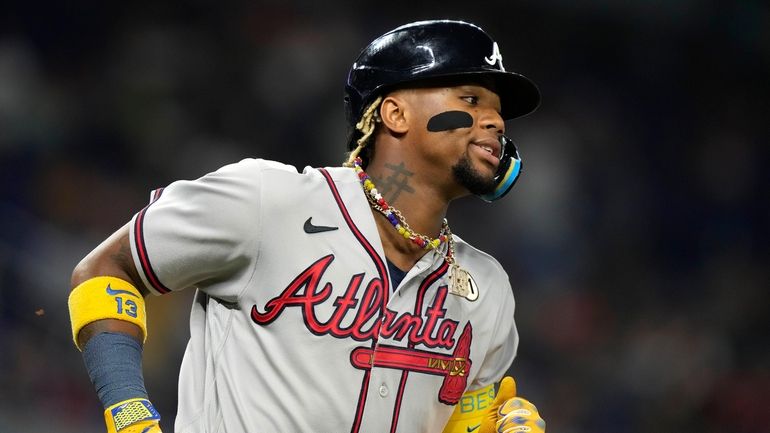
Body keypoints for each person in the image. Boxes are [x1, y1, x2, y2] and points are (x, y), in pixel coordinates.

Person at [68, 20, 546, 433]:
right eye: (472, 98)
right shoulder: (267, 201)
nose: (496, 121)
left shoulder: (488, 290)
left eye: (499, 110)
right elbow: (107, 270)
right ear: (395, 113)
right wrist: (129, 411)